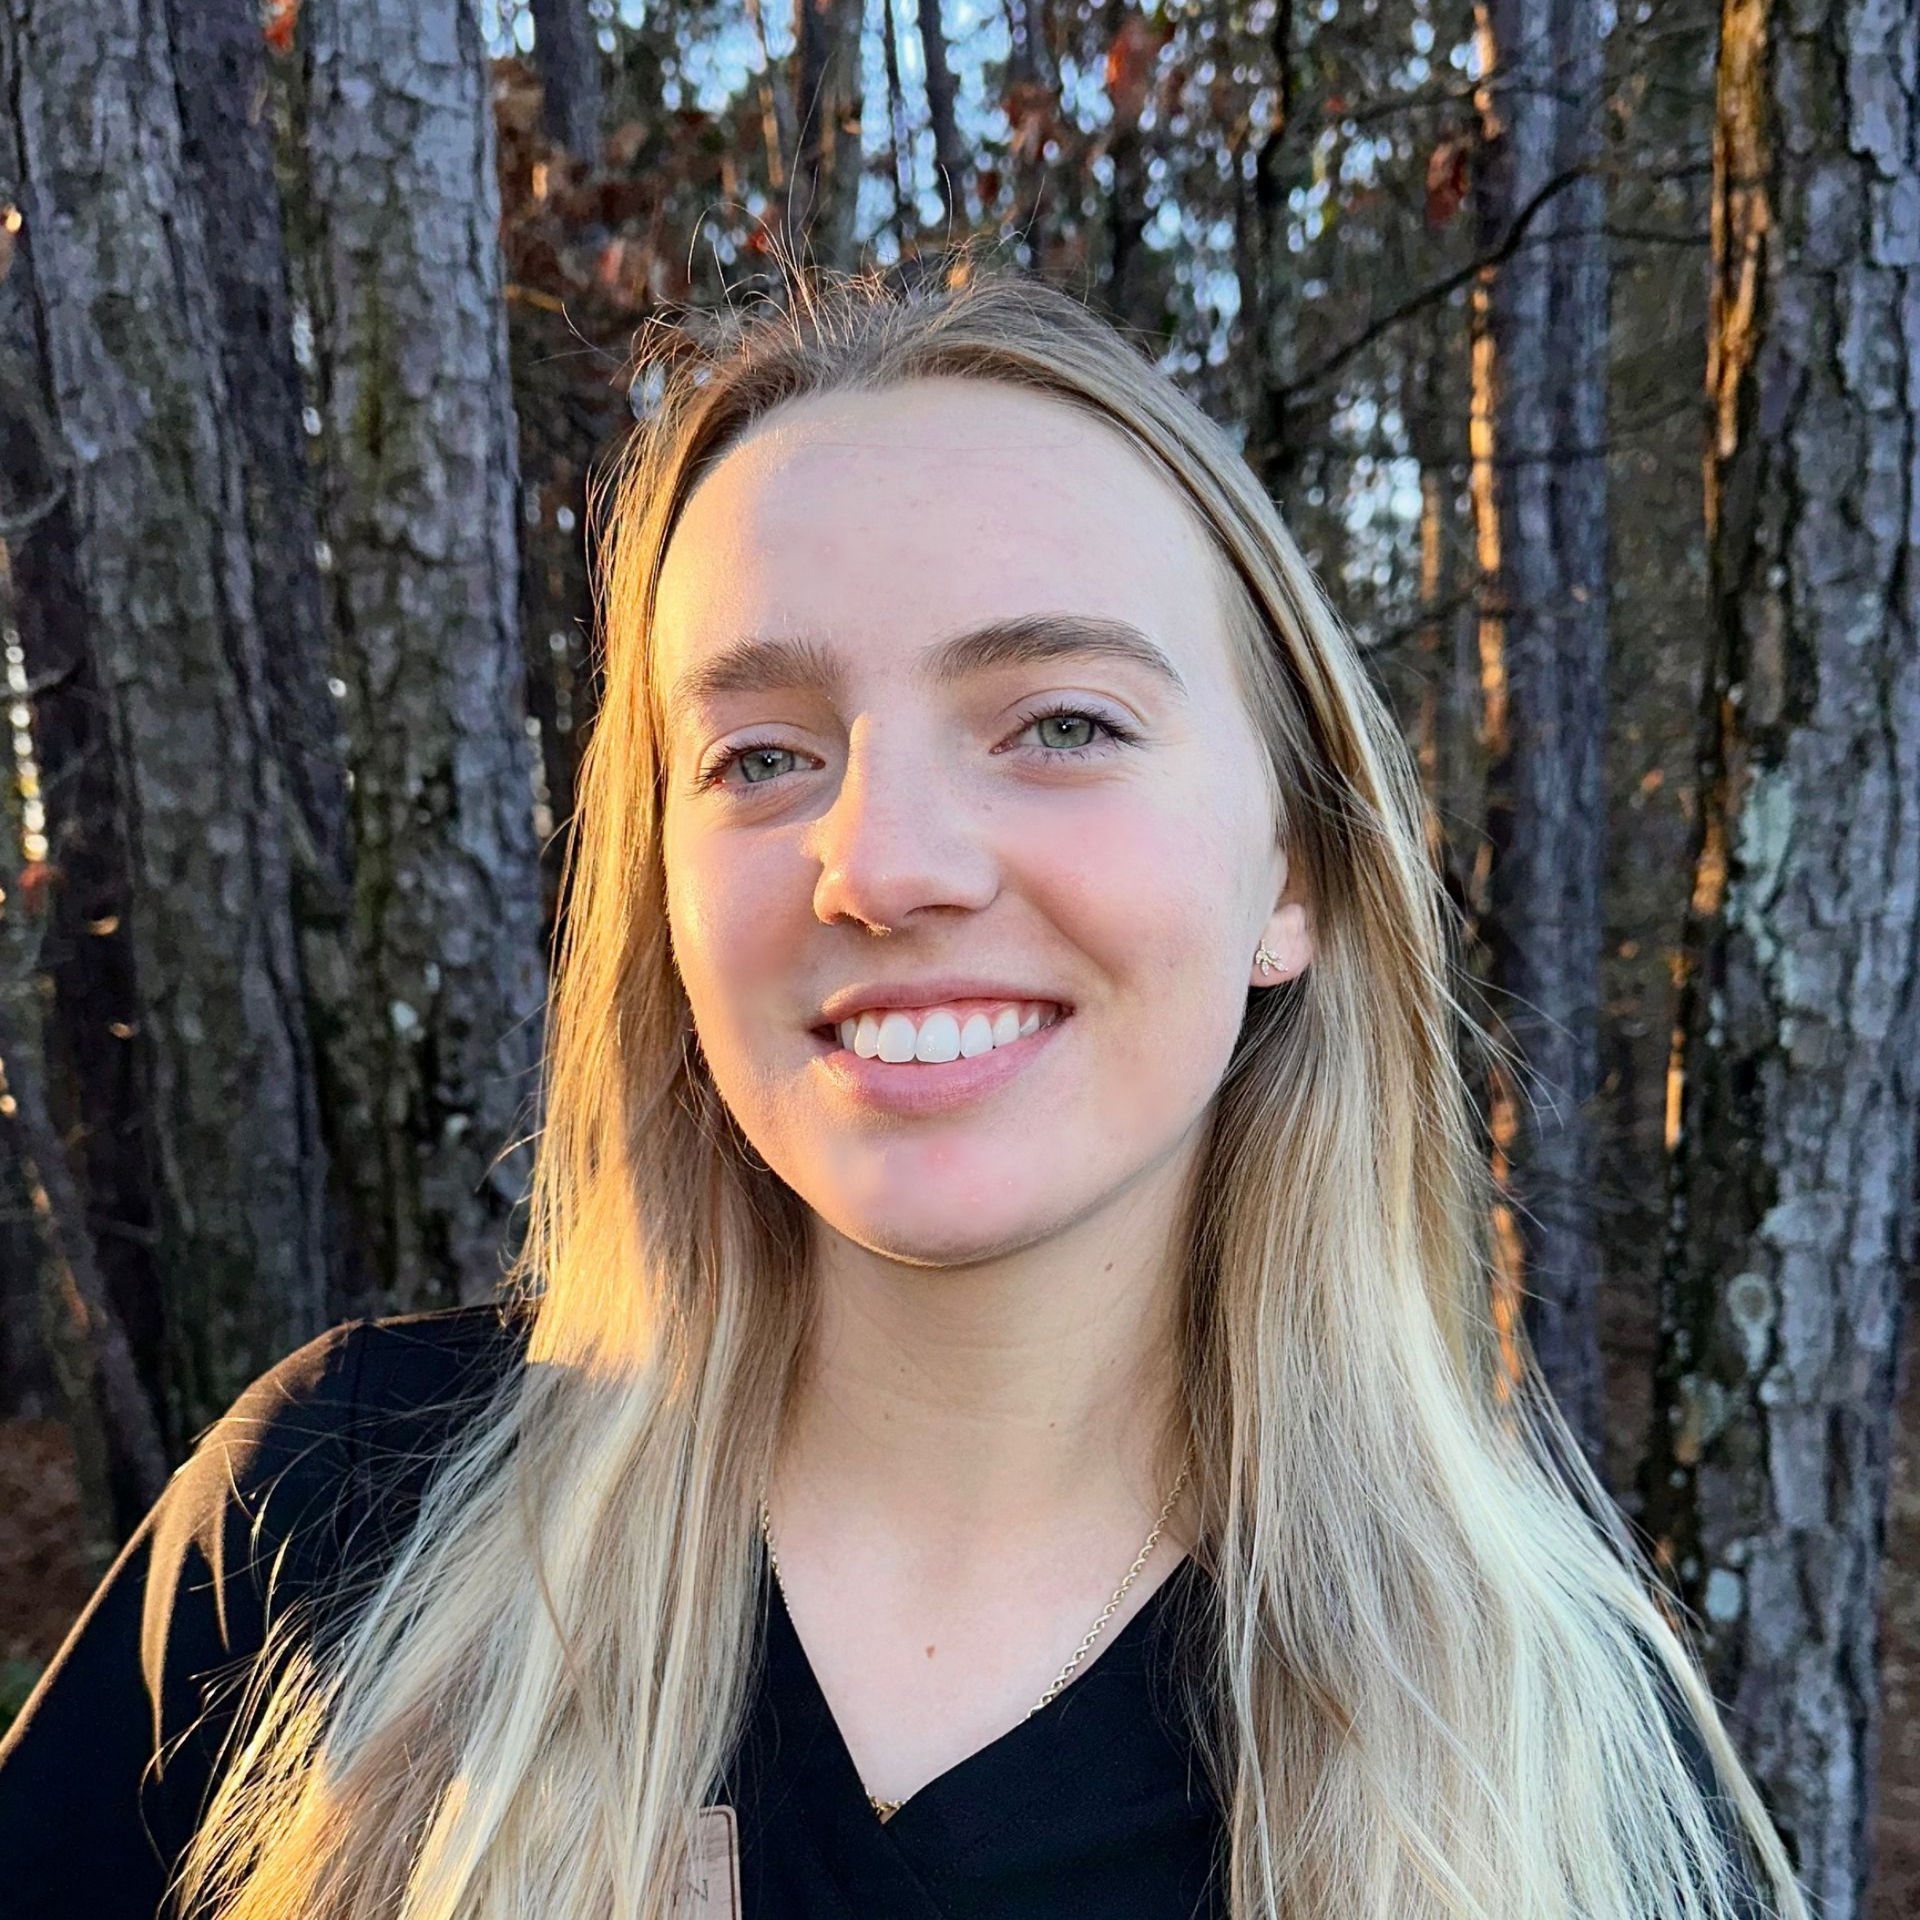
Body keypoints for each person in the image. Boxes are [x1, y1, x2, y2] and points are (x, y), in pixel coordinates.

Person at [0, 247, 1804, 1920]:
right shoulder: (335, 1529)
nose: (883, 864)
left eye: (1062, 723)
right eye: (761, 755)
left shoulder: (1563, 1763)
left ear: (1294, 873)